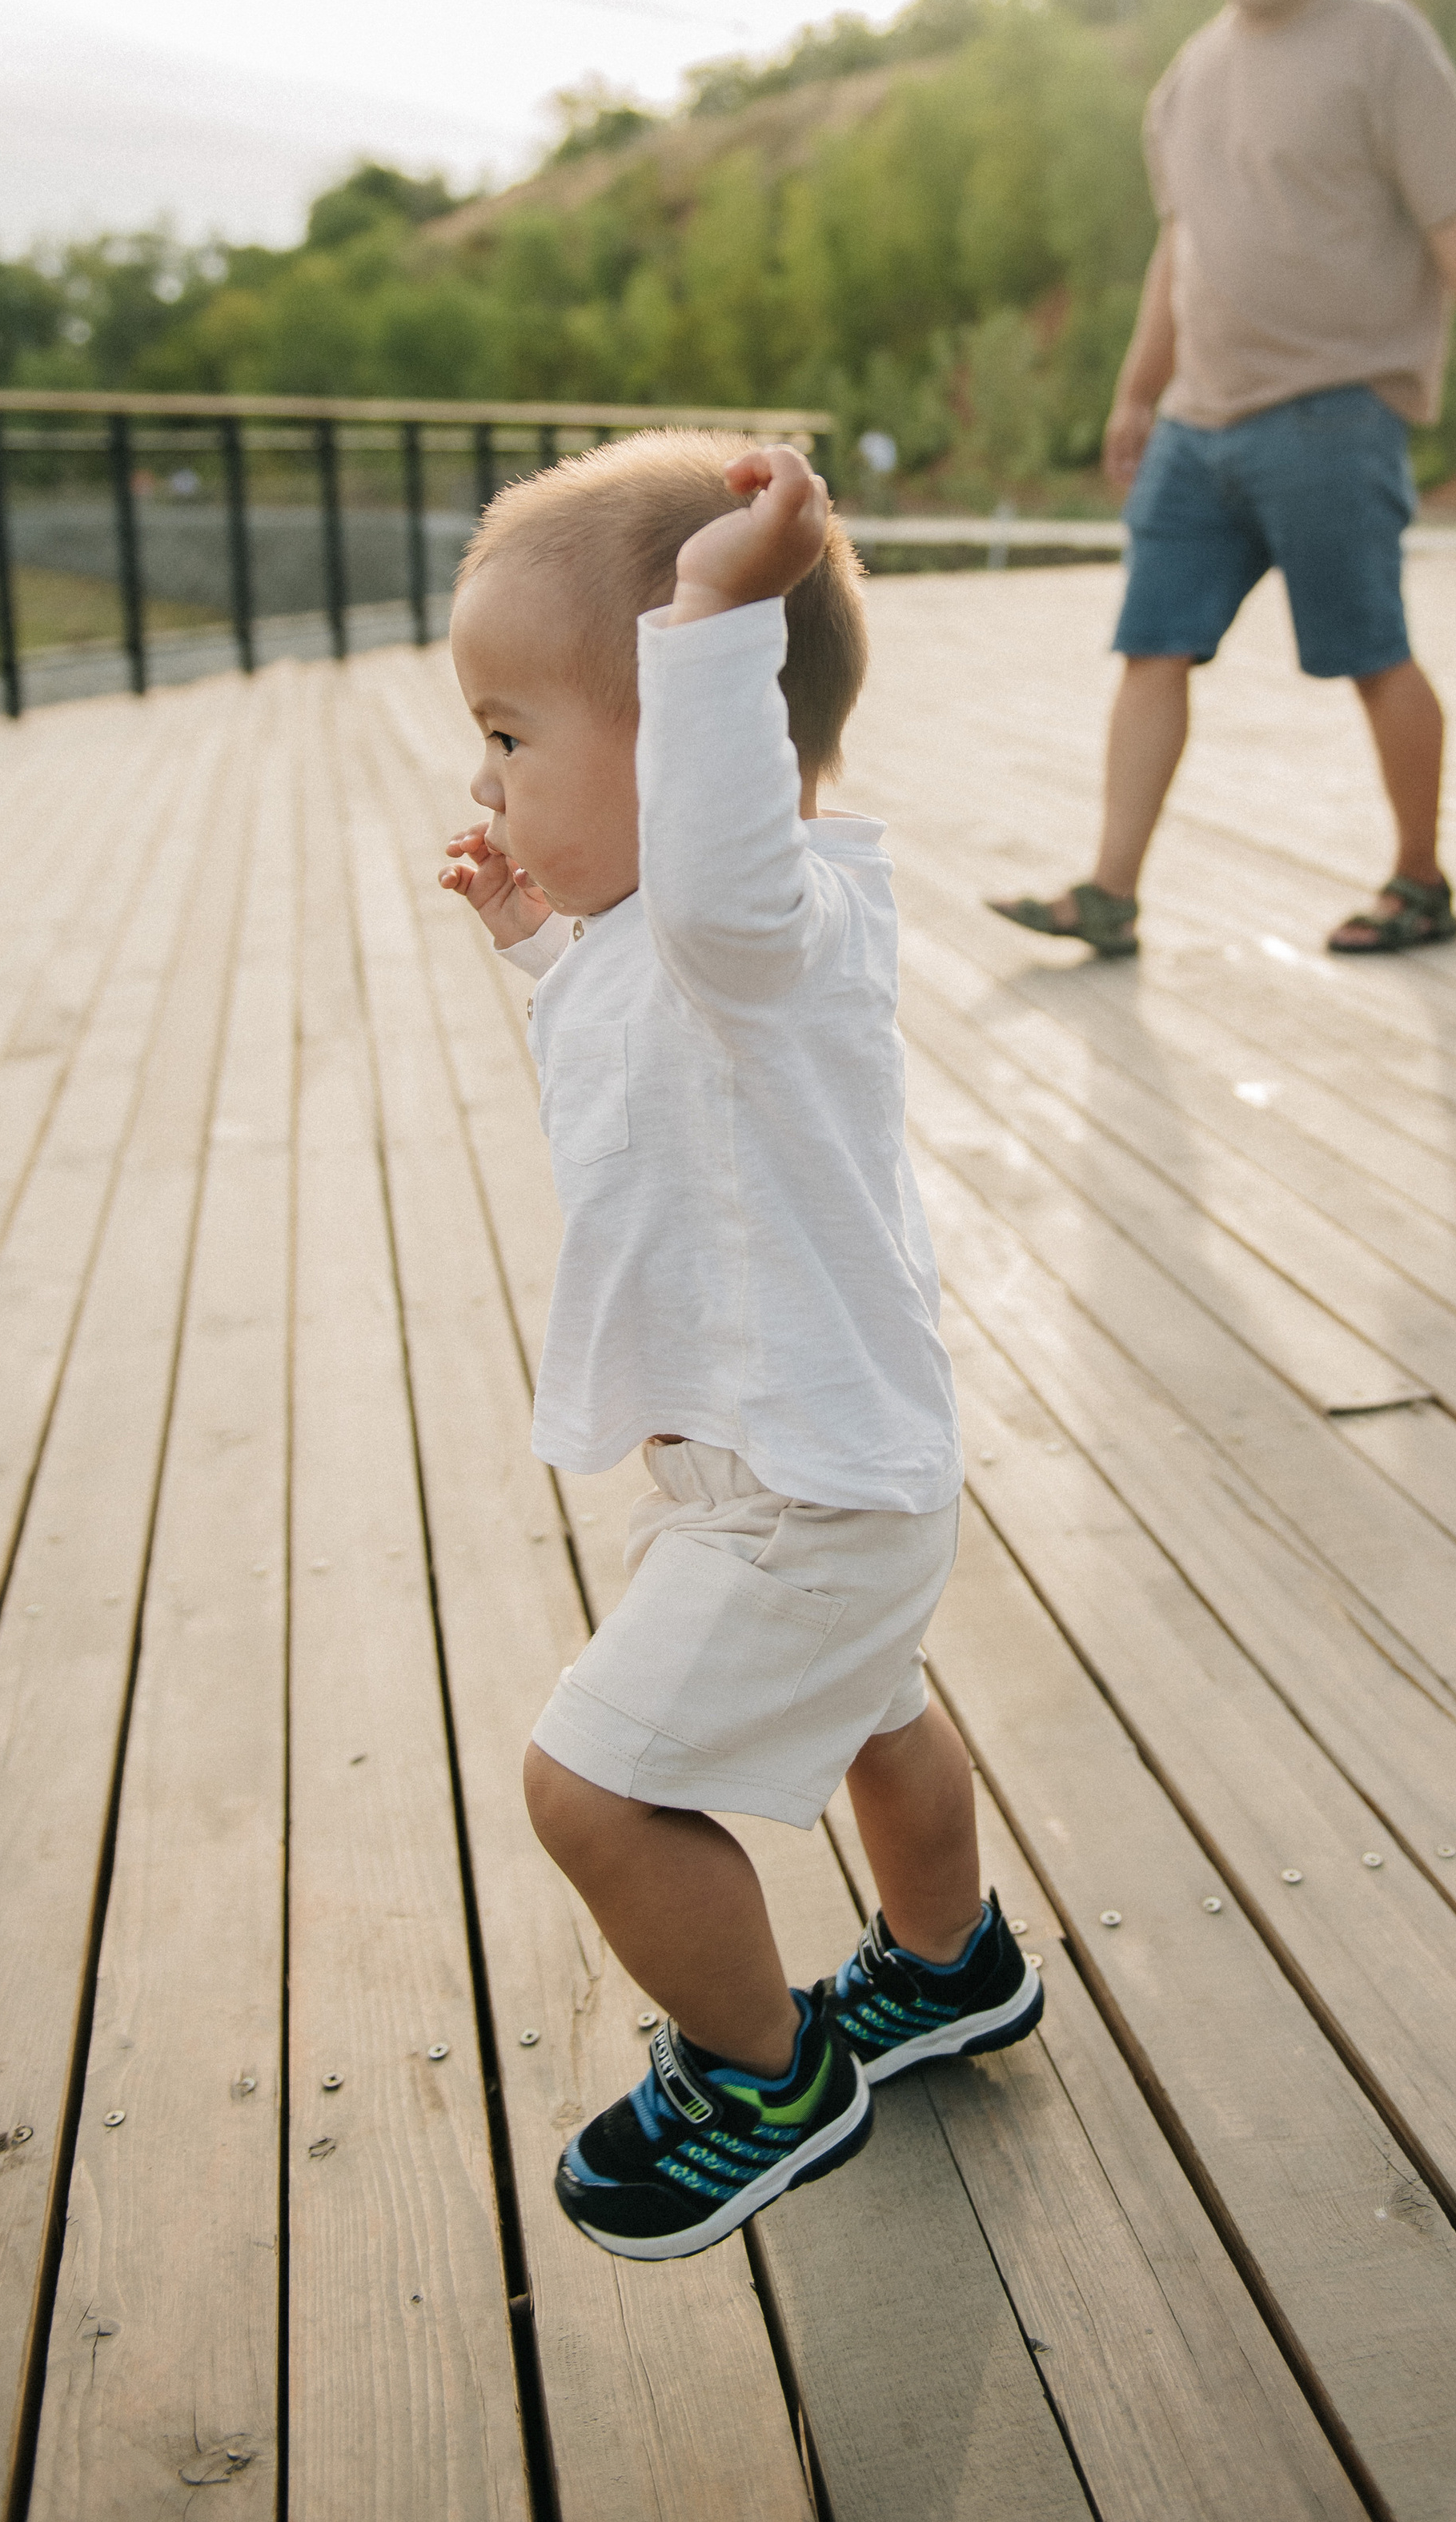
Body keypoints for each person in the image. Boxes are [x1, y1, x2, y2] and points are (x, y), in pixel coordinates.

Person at [439, 431, 1042, 2264]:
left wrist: (711, 613)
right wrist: (538, 948)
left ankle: (761, 2071)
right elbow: (656, 1102)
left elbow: (706, 889)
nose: (483, 773)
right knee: (874, 1711)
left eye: (514, 735)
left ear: (708, 738)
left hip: (799, 1494)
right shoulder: (664, 940)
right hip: (802, 1468)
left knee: (593, 1788)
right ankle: (945, 1968)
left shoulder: (760, 914)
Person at [990, 0, 1456, 963]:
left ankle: (1420, 881)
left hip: (1334, 410)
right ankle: (1109, 892)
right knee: (1150, 648)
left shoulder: (1381, 40)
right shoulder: (1185, 79)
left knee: (1372, 654)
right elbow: (1181, 248)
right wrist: (1134, 390)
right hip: (1197, 422)